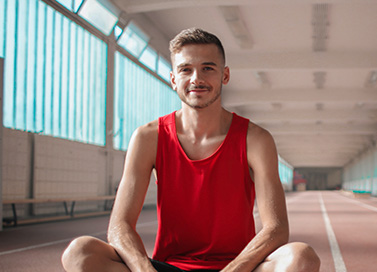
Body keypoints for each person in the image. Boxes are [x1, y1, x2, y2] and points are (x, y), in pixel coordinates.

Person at [61, 28, 320, 272]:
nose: (197, 78)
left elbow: (276, 228)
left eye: (208, 68)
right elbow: (119, 225)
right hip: (170, 266)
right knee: (80, 252)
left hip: (237, 267)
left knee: (301, 257)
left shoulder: (256, 139)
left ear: (225, 75)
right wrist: (144, 270)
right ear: (174, 79)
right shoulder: (148, 137)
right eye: (186, 69)